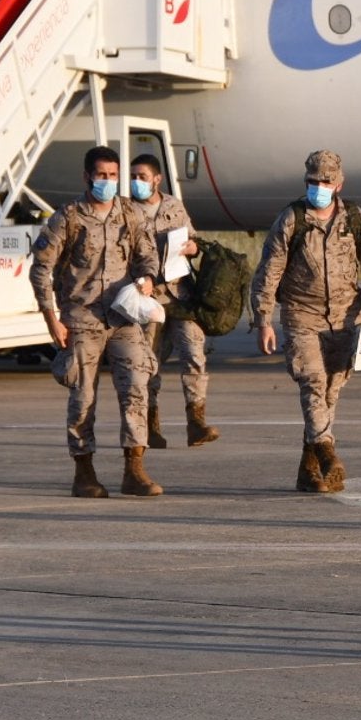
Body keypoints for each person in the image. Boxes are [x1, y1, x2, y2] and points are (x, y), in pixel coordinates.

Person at [250, 149, 361, 494]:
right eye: (313, 181)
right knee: (313, 383)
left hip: (347, 317)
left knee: (329, 394)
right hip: (303, 315)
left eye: (325, 181)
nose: (319, 187)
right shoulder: (291, 219)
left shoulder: (355, 220)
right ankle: (329, 455)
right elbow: (268, 272)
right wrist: (264, 320)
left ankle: (308, 469)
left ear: (339, 184)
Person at [30, 145, 163, 498]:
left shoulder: (129, 214)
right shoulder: (68, 217)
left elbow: (147, 253)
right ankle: (84, 470)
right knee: (83, 395)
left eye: (113, 176)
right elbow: (41, 269)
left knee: (137, 382)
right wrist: (51, 319)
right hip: (82, 316)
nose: (108, 182)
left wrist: (148, 278)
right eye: (101, 175)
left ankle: (134, 469)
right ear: (87, 176)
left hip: (122, 316)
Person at [127, 153, 218, 448]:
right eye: (134, 177)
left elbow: (193, 237)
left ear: (157, 179)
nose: (137, 182)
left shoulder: (173, 207)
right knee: (149, 364)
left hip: (180, 294)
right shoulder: (127, 211)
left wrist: (193, 247)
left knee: (194, 354)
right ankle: (151, 426)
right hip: (148, 300)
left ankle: (196, 422)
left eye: (142, 176)